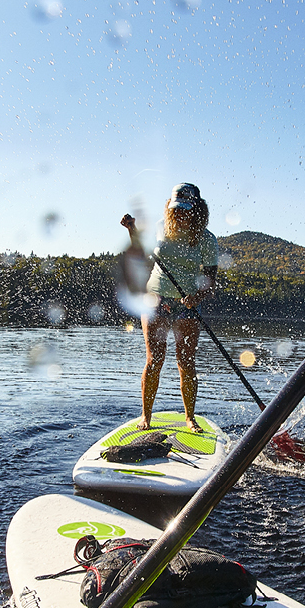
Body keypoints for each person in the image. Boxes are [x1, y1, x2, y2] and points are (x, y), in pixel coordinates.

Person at [119, 183, 220, 433]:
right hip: (156, 299)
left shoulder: (207, 240)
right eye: (177, 210)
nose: (181, 214)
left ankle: (189, 418)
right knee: (154, 361)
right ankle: (146, 417)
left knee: (186, 362)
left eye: (187, 210)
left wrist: (197, 297)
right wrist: (132, 230)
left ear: (198, 210)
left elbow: (209, 282)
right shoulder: (160, 228)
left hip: (186, 306)